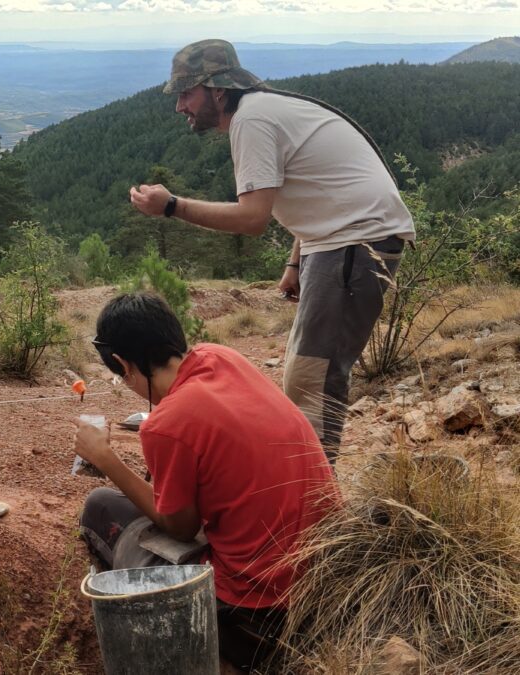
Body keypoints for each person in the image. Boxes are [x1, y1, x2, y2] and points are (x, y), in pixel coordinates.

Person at [129, 39, 415, 463]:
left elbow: (252, 218)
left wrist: (171, 206)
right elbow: (319, 186)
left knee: (312, 380)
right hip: (340, 241)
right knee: (306, 374)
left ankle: (313, 506)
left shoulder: (252, 120)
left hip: (355, 242)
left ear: (217, 90)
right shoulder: (262, 111)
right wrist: (296, 260)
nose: (180, 106)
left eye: (186, 93)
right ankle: (308, 491)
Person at [76, 292, 337, 671]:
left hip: (257, 607)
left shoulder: (168, 423)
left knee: (100, 506)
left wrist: (107, 460)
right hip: (331, 574)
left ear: (122, 363)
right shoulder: (223, 357)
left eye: (120, 376)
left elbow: (181, 528)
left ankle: (205, 647)